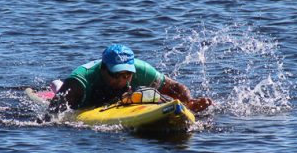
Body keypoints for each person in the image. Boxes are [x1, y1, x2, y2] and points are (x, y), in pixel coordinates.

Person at [48, 44, 213, 113]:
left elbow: (175, 87)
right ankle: (57, 86)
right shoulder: (80, 80)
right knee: (63, 95)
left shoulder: (142, 70)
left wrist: (189, 102)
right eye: (116, 75)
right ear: (103, 69)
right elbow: (52, 115)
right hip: (84, 99)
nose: (122, 80)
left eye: (127, 75)